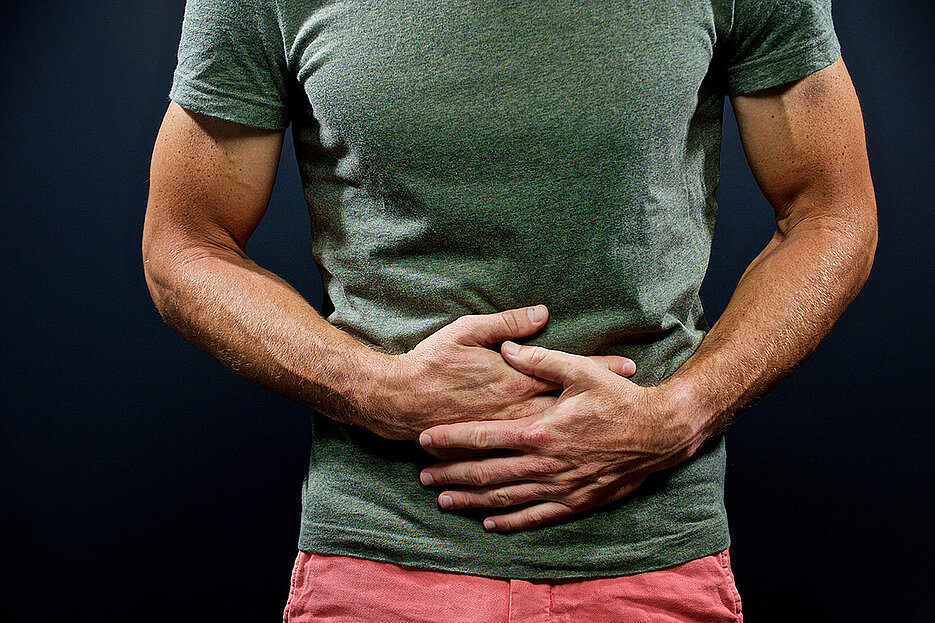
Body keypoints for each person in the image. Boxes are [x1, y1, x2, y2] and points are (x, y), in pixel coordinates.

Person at [142, 0, 877, 620]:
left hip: (648, 559)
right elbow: (185, 242)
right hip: (382, 559)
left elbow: (831, 211)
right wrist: (371, 388)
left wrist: (682, 411)